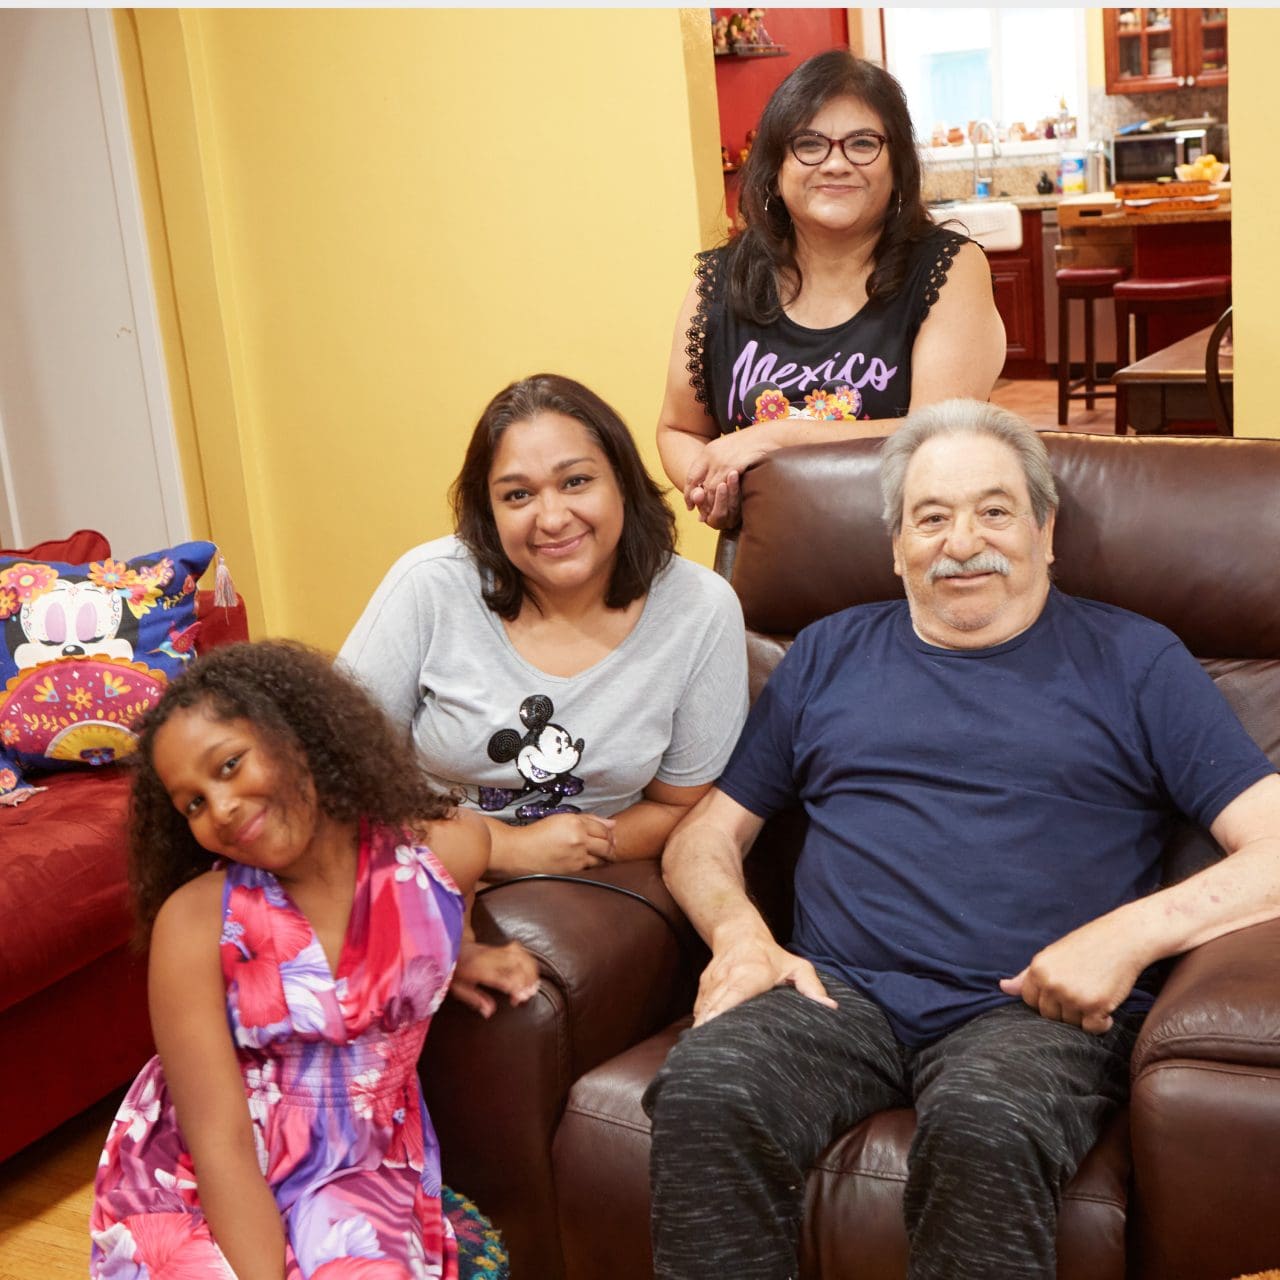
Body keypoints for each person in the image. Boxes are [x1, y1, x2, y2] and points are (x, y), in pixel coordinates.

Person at [643, 400, 1280, 1279]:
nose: (963, 541)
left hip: (1033, 1011)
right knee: (708, 1087)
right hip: (837, 994)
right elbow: (703, 835)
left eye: (995, 511)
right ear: (895, 545)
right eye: (931, 517)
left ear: (1045, 533)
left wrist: (1128, 937)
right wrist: (739, 935)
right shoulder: (826, 653)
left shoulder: (1136, 661)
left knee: (988, 1121)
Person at [90, 640, 539, 1280]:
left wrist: (458, 951)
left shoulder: (446, 851)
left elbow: (451, 898)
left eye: (229, 765)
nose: (220, 808)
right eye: (192, 803)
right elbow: (219, 1145)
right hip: (202, 1175)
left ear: (297, 734)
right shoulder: (193, 925)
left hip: (363, 1163)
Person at [340, 374, 748, 879]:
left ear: (622, 482)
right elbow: (340, 770)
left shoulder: (700, 608)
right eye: (518, 495)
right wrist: (507, 850)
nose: (552, 518)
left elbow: (680, 805)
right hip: (418, 865)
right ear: (488, 512)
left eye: (576, 481)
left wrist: (583, 848)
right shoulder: (428, 585)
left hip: (589, 875)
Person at [657, 49, 1006, 530]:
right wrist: (710, 488)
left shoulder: (950, 268)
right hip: (766, 551)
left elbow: (942, 432)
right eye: (809, 144)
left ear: (897, 166)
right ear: (775, 169)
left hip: (911, 547)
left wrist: (777, 438)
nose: (836, 163)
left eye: (862, 143)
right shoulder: (719, 280)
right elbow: (679, 429)